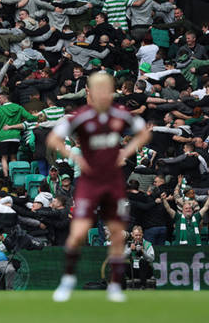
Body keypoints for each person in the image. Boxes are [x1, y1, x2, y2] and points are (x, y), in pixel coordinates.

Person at [48, 72, 151, 302]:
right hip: (89, 182)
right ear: (90, 93)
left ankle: (115, 286)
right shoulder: (82, 116)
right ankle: (67, 280)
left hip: (113, 181)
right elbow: (53, 139)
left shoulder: (120, 113)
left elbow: (144, 133)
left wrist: (125, 151)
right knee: (77, 233)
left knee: (116, 233)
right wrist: (76, 158)